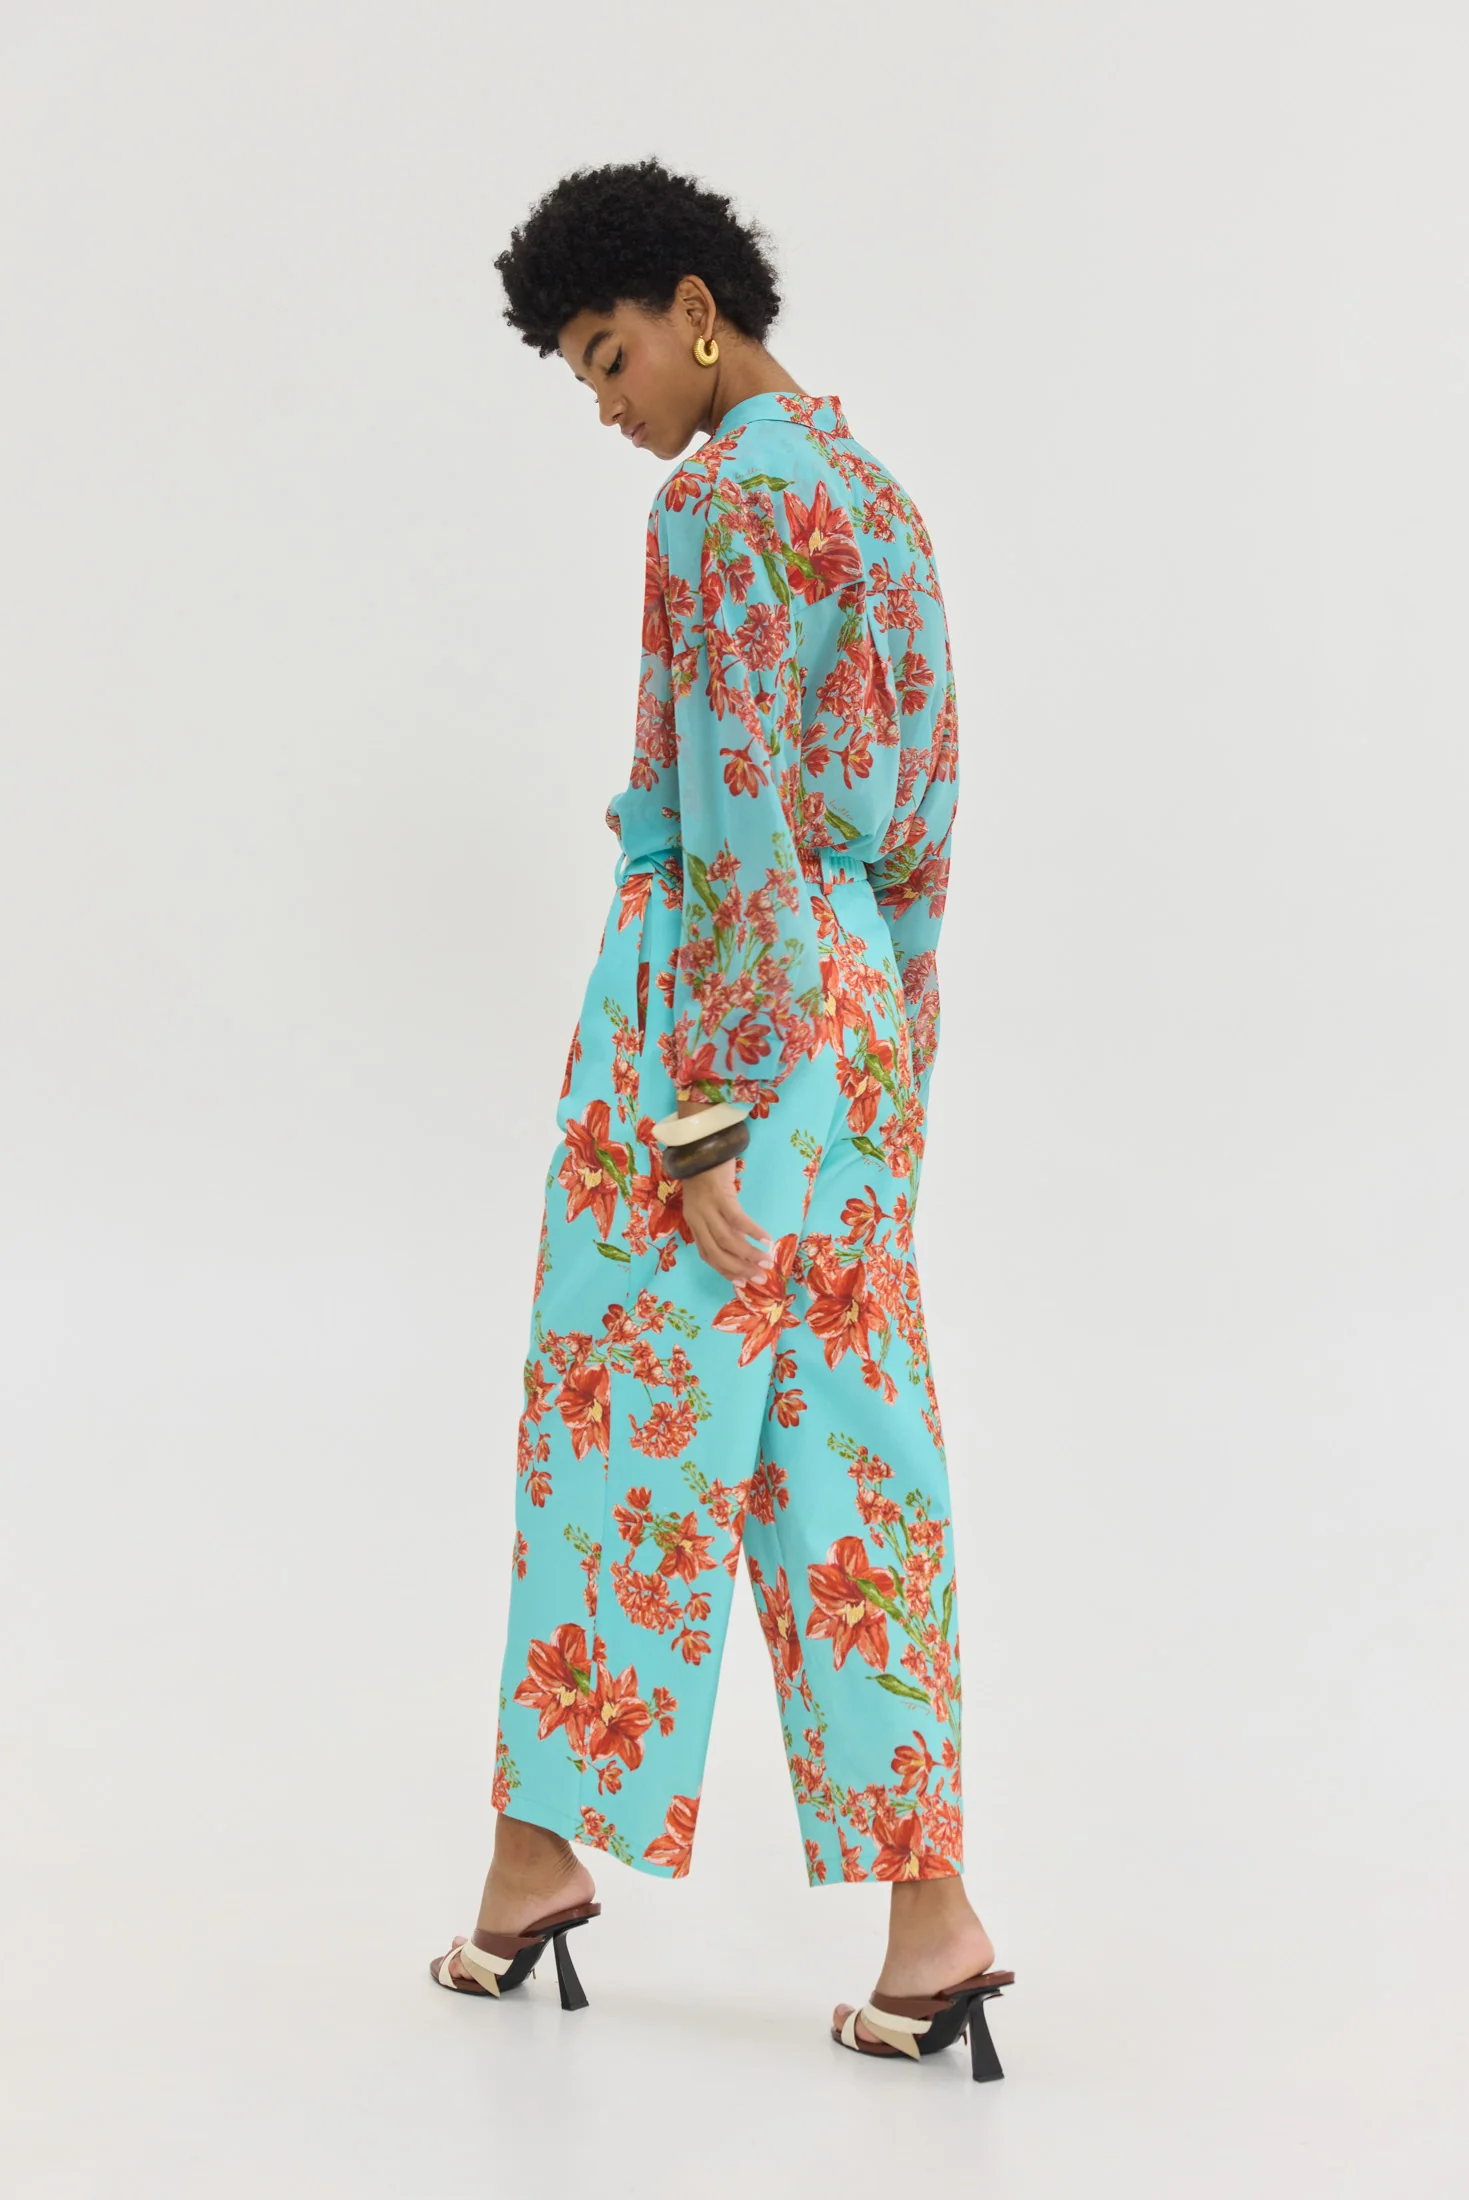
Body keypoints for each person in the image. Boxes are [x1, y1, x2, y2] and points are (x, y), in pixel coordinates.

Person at [429, 158, 1013, 2075]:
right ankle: (932, 1919)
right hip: (852, 1015)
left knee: (616, 1412)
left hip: (711, 1001)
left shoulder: (715, 504)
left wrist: (701, 1116)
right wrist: (889, 1057)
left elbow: (734, 805)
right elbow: (924, 818)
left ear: (695, 310)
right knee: (848, 1453)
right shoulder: (882, 502)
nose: (607, 406)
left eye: (609, 357)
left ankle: (535, 1862)